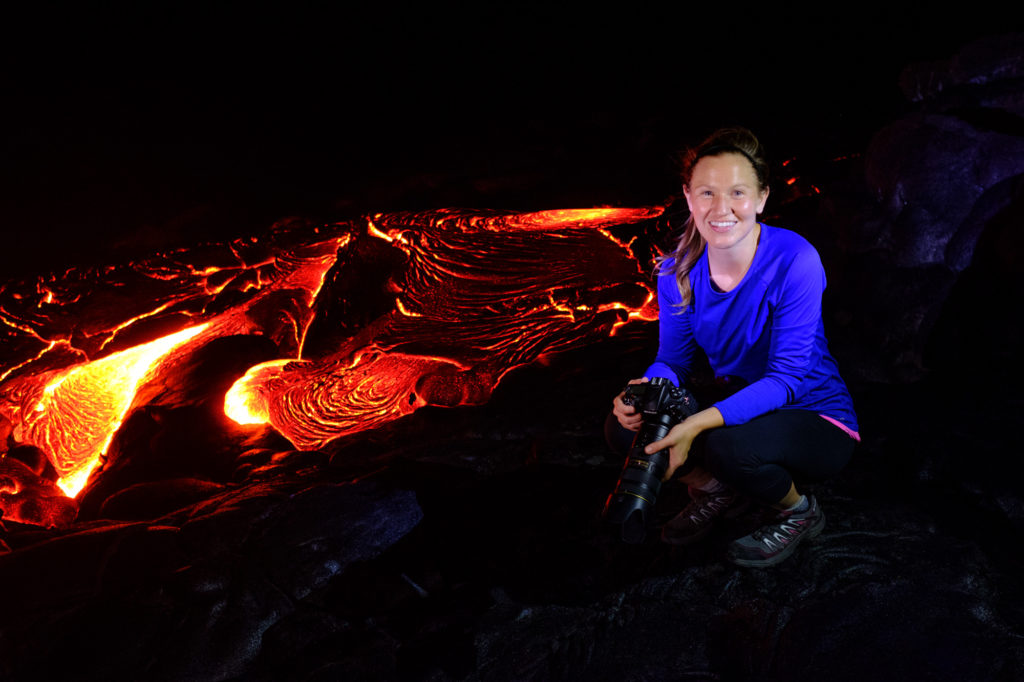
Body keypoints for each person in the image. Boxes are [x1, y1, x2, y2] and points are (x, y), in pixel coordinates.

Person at [608, 127, 859, 567]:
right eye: (707, 192)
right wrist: (647, 390)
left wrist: (695, 426)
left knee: (730, 448)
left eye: (737, 192)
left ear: (762, 198)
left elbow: (786, 379)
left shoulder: (795, 260)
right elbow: (673, 361)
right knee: (626, 428)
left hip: (814, 413)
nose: (720, 209)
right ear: (688, 196)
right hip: (742, 399)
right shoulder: (676, 271)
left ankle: (800, 513)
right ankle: (717, 489)